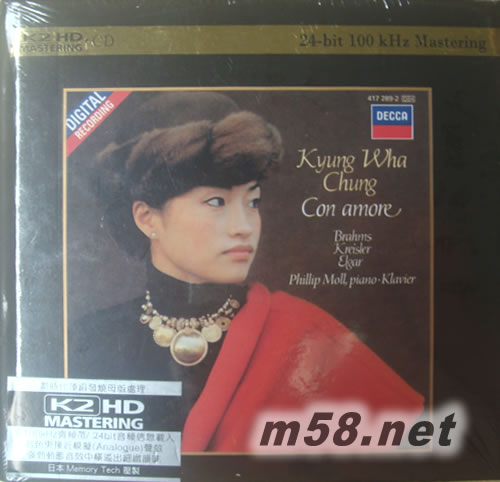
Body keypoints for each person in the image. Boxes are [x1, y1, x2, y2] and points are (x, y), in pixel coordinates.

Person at [70, 91, 423, 453]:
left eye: (252, 202)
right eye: (216, 202)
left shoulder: (307, 336)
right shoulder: (90, 340)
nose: (244, 227)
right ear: (147, 218)